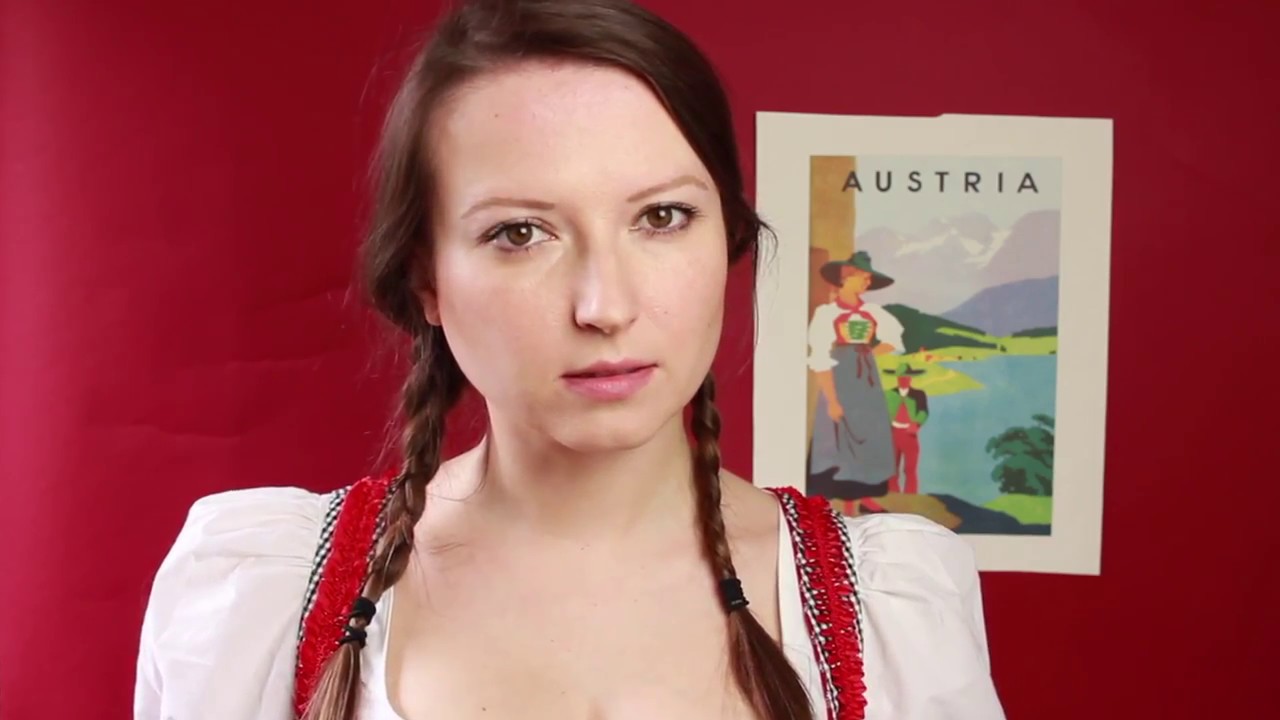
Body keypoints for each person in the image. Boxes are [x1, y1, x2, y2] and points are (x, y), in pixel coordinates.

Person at [133, 1, 1006, 719]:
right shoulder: (259, 599)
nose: (605, 306)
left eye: (661, 217)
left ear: (728, 239)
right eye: (520, 233)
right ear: (426, 279)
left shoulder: (889, 609)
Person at [805, 251, 904, 513]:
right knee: (839, 434)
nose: (867, 283)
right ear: (845, 278)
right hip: (840, 376)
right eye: (863, 277)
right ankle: (840, 503)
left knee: (869, 432)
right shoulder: (827, 314)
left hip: (866, 379)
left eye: (869, 279)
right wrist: (832, 399)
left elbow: (893, 339)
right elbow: (820, 357)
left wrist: (868, 354)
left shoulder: (872, 312)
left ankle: (864, 498)